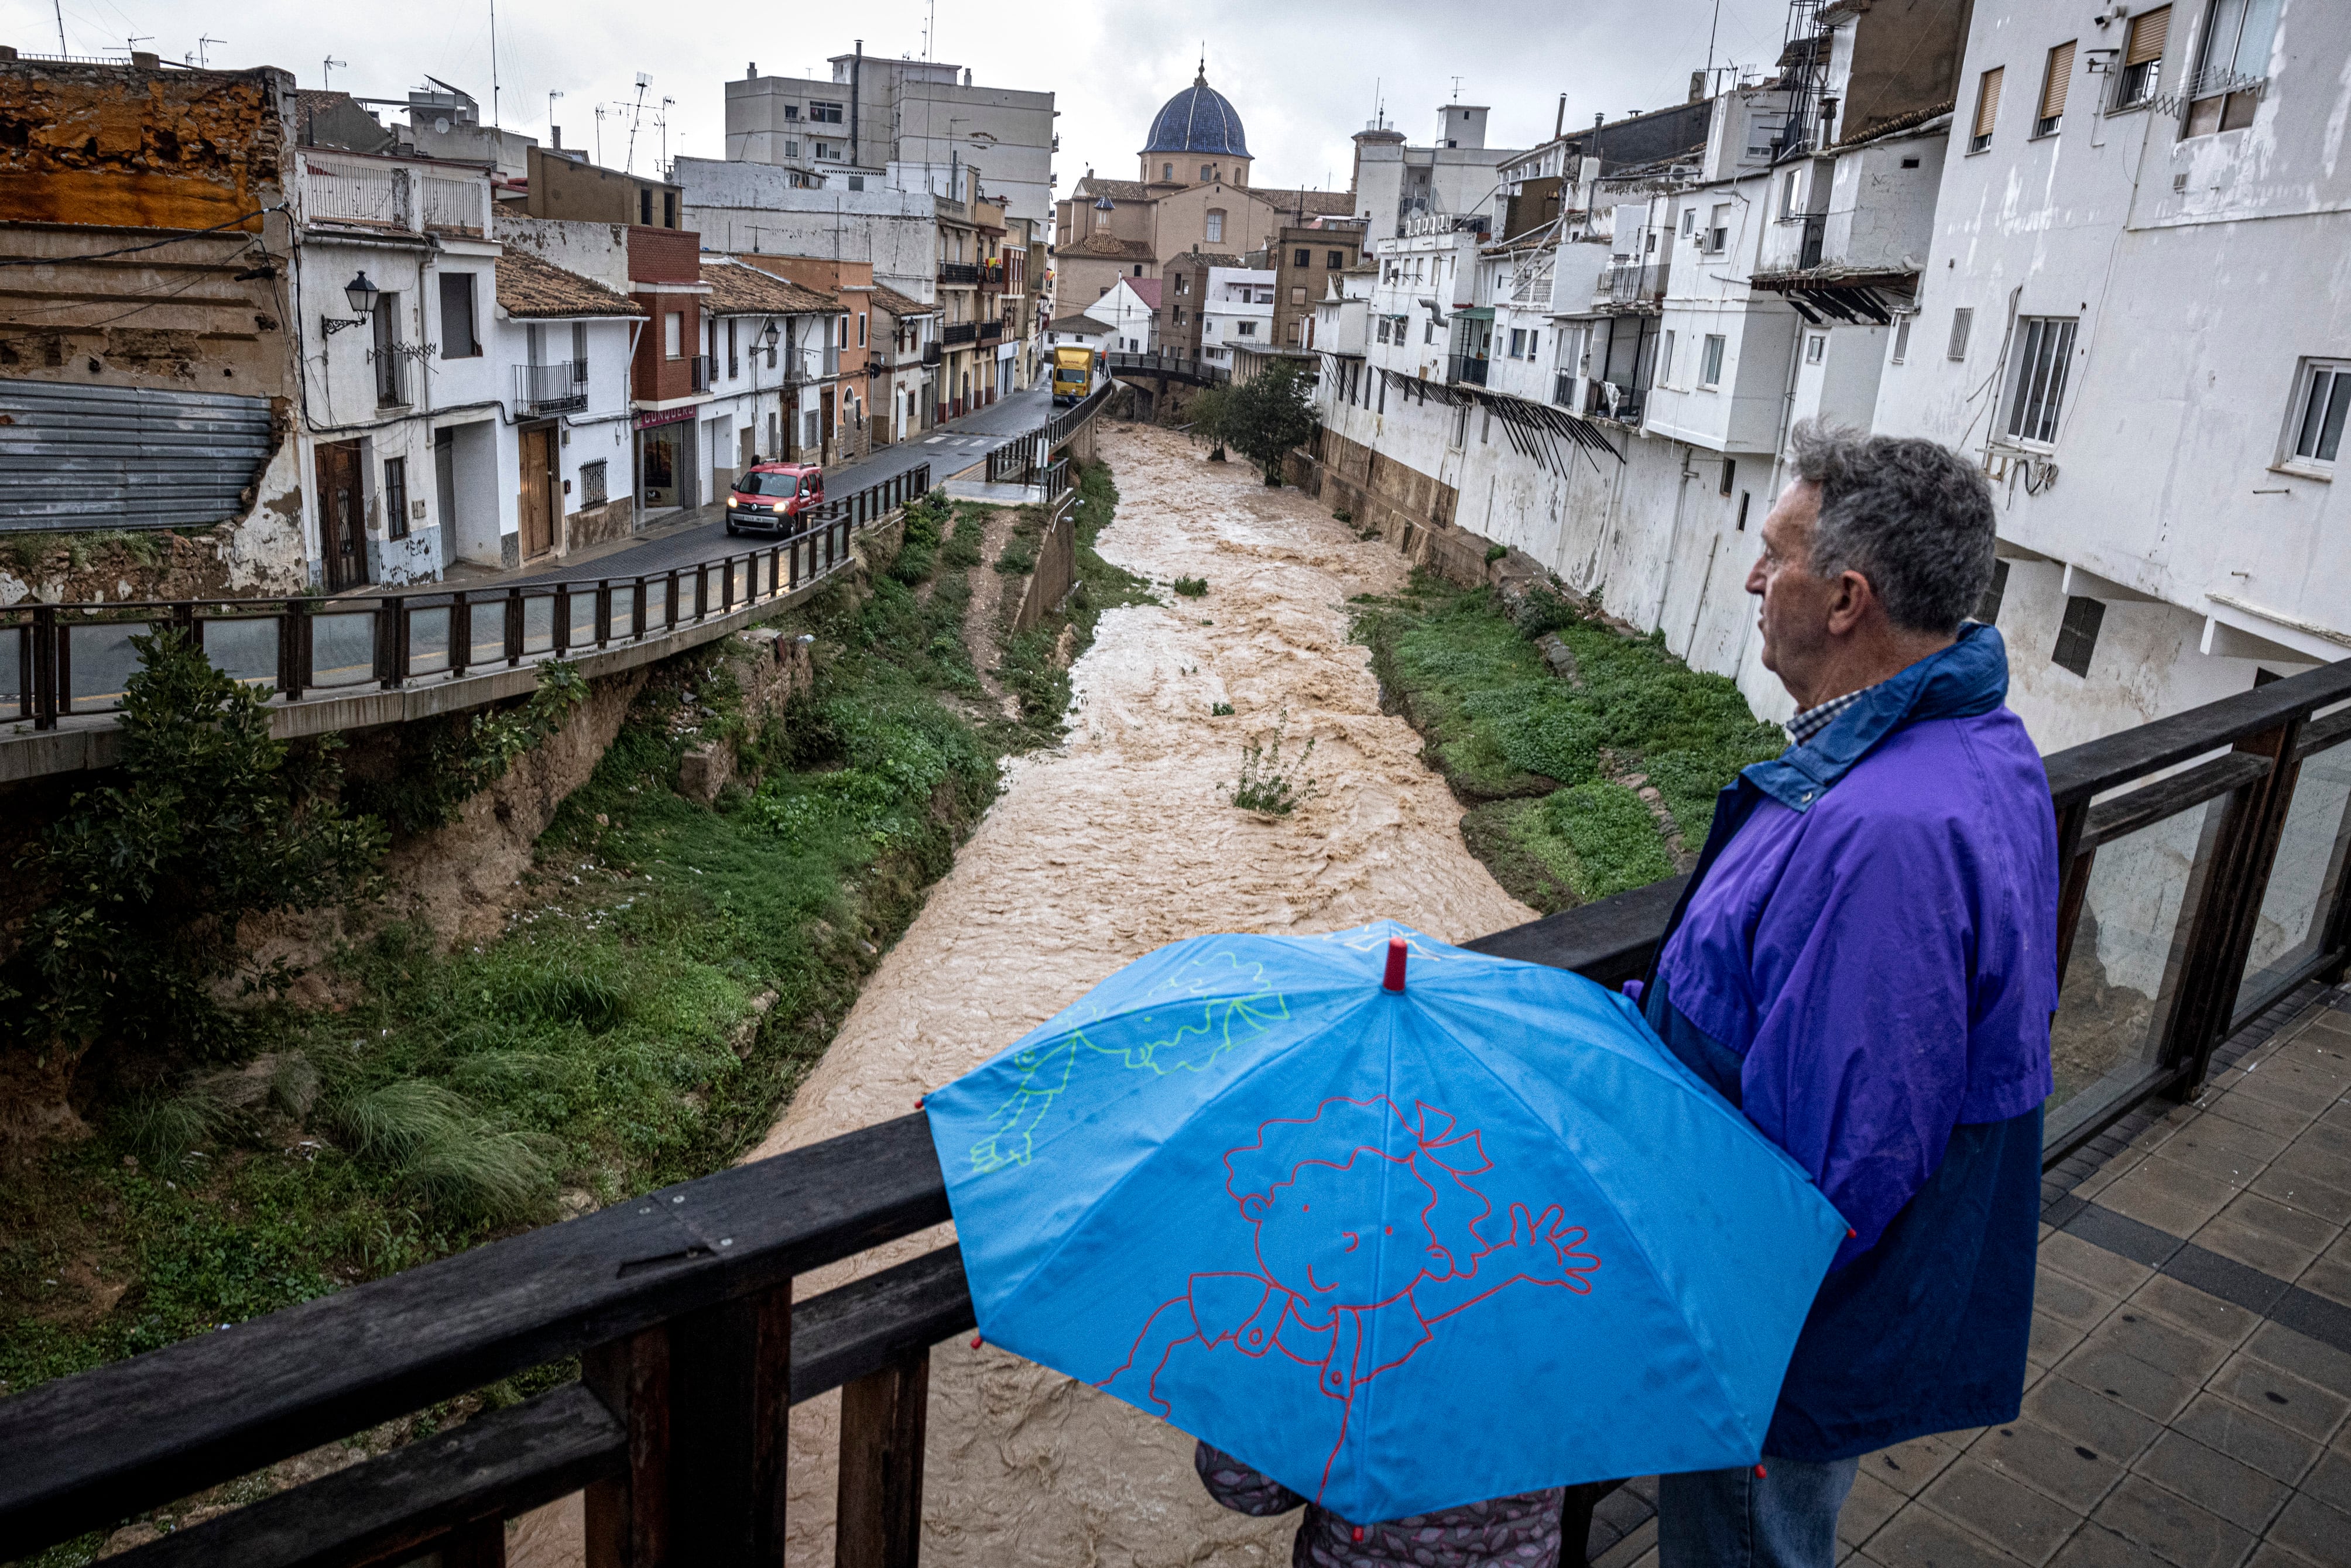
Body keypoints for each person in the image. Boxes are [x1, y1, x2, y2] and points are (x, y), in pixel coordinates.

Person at [1639, 421, 2058, 1568]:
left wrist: (1721, 1325)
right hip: (1820, 1302)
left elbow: (1843, 1160)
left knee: (1744, 1542)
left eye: (1774, 554)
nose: (1750, 577)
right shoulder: (1965, 748)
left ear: (1843, 600)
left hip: (1776, 1329)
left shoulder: (1886, 832)